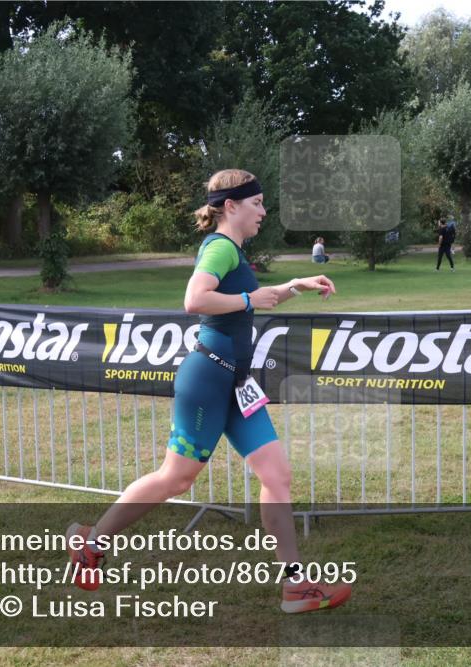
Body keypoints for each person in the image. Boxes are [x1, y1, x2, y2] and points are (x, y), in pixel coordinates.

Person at [66, 169, 351, 614]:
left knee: (277, 476)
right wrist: (248, 301)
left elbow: (253, 299)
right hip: (207, 381)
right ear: (232, 206)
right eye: (256, 203)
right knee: (176, 478)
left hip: (236, 384)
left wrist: (295, 285)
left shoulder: (234, 252)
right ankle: (91, 543)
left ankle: (296, 586)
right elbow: (195, 300)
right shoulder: (219, 247)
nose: (263, 211)